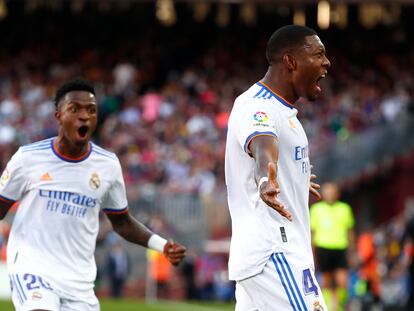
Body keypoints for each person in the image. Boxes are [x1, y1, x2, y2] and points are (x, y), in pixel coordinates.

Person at [0, 78, 186, 311]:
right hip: (33, 269)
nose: (84, 116)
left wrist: (162, 245)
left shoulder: (107, 165)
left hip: (78, 281)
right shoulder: (28, 159)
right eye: (74, 109)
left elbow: (122, 222)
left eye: (91, 110)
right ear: (58, 116)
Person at [225, 25, 330, 310]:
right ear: (291, 61)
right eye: (319, 54)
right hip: (275, 251)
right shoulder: (257, 106)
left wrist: (293, 177)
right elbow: (262, 147)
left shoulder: (283, 112)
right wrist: (265, 180)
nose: (326, 62)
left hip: (269, 255)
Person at [310, 182, 355, 311]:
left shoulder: (345, 209)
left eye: (332, 191)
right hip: (323, 248)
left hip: (340, 248)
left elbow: (350, 231)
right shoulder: (316, 209)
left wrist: (352, 252)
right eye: (327, 191)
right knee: (326, 282)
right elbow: (312, 233)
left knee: (342, 282)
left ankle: (339, 307)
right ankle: (327, 307)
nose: (330, 194)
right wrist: (312, 254)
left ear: (337, 193)